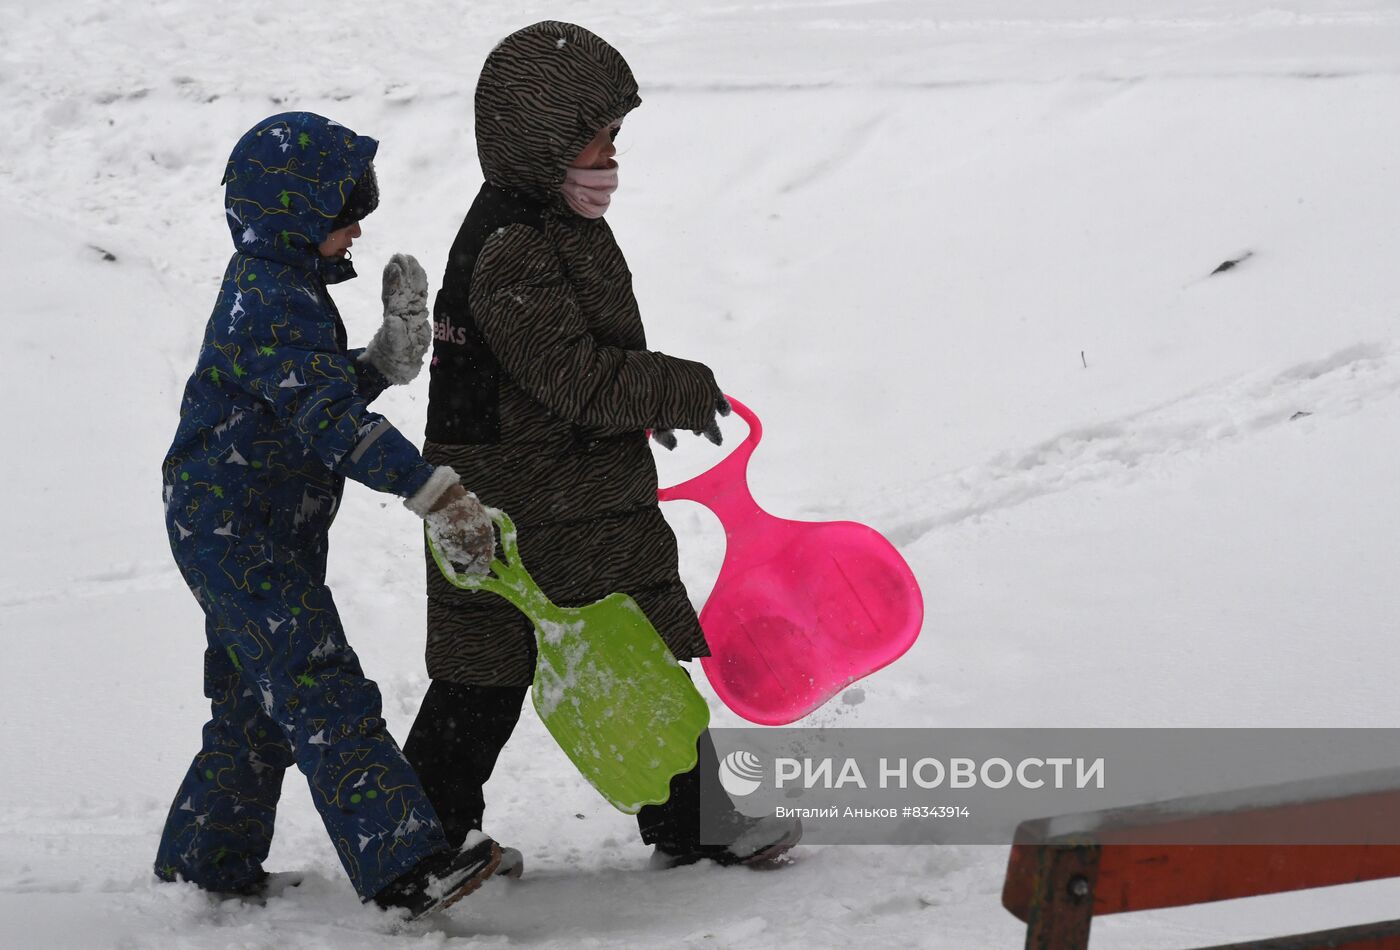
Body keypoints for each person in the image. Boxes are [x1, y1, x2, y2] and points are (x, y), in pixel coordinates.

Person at [405, 22, 801, 874]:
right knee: (522, 667)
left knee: (554, 658)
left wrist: (637, 409)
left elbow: (566, 367)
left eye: (616, 136)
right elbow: (574, 377)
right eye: (599, 137)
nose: (612, 156)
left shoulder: (544, 220)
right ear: (542, 140)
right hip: (534, 504)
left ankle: (434, 834)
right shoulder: (513, 243)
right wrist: (675, 386)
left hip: (548, 490)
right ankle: (425, 839)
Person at [155, 111, 504, 919]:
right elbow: (328, 422)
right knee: (321, 689)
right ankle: (404, 870)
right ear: (294, 212)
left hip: (254, 524)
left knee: (256, 703)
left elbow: (302, 393)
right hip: (237, 533)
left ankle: (205, 866)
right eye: (345, 213)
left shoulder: (283, 289)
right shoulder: (269, 297)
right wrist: (435, 493)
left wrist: (378, 364)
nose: (355, 231)